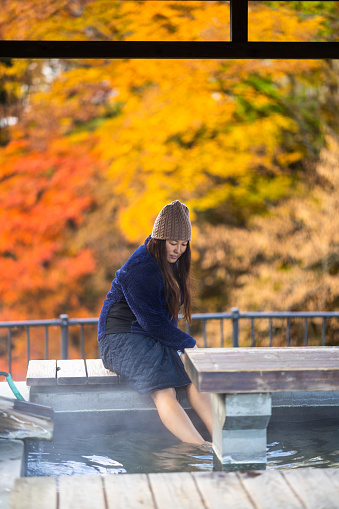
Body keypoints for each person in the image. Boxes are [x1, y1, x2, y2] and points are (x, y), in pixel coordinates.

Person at [97, 200, 213, 446]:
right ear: (158, 240)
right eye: (173, 243)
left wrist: (184, 350)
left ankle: (225, 440)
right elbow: (152, 322)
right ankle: (201, 448)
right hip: (120, 338)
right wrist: (189, 344)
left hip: (148, 335)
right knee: (164, 390)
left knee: (193, 373)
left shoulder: (172, 264)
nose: (178, 250)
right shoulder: (139, 269)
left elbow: (164, 320)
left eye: (183, 244)